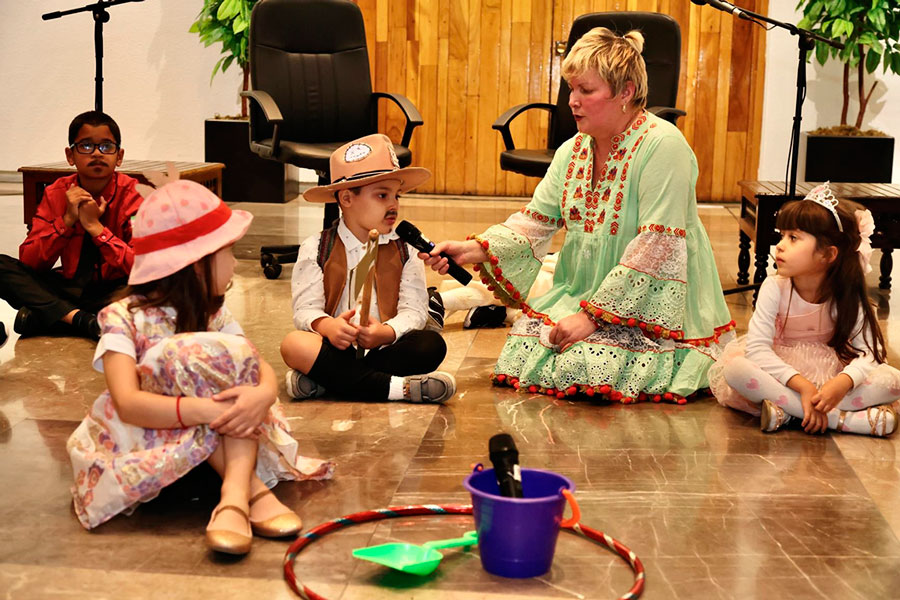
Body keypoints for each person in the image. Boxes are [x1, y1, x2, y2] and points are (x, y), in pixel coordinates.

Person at [421, 28, 734, 403]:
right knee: (523, 353)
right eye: (572, 90)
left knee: (584, 367)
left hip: (650, 303)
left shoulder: (665, 145)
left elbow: (656, 247)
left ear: (626, 92)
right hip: (583, 292)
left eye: (586, 91)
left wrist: (592, 320)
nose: (572, 101)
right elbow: (537, 220)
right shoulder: (573, 149)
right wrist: (472, 249)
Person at [66, 180, 334, 554]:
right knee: (176, 356)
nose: (236, 263)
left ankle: (233, 497)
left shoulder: (214, 314)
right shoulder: (120, 317)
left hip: (220, 453)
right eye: (229, 252)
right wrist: (214, 410)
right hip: (157, 451)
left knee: (230, 356)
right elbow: (127, 401)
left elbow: (255, 365)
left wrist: (261, 396)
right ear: (195, 263)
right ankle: (248, 493)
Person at [708, 183, 900, 437]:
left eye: (794, 238)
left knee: (893, 381)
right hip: (784, 372)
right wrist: (802, 386)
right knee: (736, 370)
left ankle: (788, 412)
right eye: (782, 235)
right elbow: (757, 349)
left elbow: (869, 354)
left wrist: (841, 384)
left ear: (828, 254)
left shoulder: (848, 294)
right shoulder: (774, 287)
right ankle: (846, 421)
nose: (780, 246)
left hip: (833, 372)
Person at [280, 133, 455, 404]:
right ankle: (401, 389)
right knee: (294, 344)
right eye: (382, 195)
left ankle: (329, 382)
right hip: (336, 349)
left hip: (385, 350)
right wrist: (328, 327)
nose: (393, 205)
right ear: (347, 199)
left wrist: (385, 333)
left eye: (396, 196)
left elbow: (414, 311)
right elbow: (305, 311)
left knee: (430, 345)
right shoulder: (316, 248)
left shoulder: (404, 249)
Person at [0, 111, 144, 340]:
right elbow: (30, 262)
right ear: (70, 155)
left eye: (106, 146)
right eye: (86, 146)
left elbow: (142, 266)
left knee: (158, 290)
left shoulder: (134, 195)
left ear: (119, 156)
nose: (97, 153)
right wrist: (66, 221)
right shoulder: (56, 192)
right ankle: (81, 320)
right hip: (70, 286)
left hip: (117, 289)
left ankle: (53, 315)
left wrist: (96, 228)